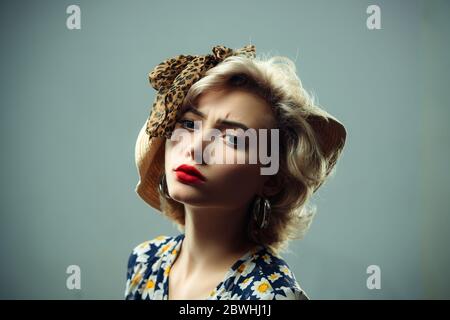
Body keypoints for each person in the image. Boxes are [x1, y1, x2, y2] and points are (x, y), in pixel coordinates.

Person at [125, 44, 346, 300]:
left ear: (272, 179)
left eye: (233, 140)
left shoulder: (271, 296)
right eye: (188, 124)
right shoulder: (145, 262)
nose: (197, 149)